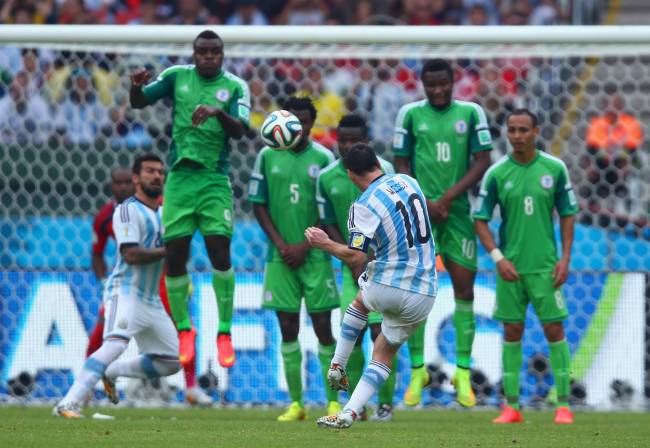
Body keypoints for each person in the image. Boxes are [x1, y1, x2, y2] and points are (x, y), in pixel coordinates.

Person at [130, 30, 250, 369]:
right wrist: (136, 86)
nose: (209, 57)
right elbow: (139, 102)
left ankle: (224, 333)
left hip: (214, 180)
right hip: (180, 180)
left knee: (219, 251)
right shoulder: (176, 77)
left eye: (215, 52)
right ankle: (185, 329)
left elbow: (242, 130)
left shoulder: (236, 87)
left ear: (222, 54)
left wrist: (217, 112)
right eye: (203, 52)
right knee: (176, 255)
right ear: (194, 54)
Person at [306, 143, 437, 429]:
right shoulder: (408, 181)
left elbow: (356, 256)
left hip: (390, 284)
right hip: (425, 292)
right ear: (378, 163)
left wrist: (324, 243)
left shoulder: (363, 205)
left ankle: (338, 365)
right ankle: (349, 412)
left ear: (350, 174)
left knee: (360, 302)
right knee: (383, 352)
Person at [393, 58, 492, 407]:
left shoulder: (472, 113)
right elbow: (400, 163)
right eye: (430, 85)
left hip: (459, 212)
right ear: (422, 84)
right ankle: (418, 370)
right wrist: (423, 199)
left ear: (453, 82)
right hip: (420, 213)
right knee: (415, 291)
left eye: (442, 84)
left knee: (464, 289)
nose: (436, 90)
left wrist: (447, 197)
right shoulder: (409, 114)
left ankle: (462, 373)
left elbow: (483, 160)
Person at [54, 154, 181, 418]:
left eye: (160, 172)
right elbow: (131, 254)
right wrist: (168, 250)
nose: (157, 176)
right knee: (114, 344)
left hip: (151, 300)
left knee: (171, 362)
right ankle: (68, 403)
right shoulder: (126, 210)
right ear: (136, 178)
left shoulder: (166, 212)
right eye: (149, 171)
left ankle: (114, 371)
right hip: (125, 292)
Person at [473, 109, 578, 424]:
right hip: (511, 269)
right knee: (512, 330)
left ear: (536, 131)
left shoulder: (554, 169)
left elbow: (568, 213)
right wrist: (498, 258)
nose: (516, 136)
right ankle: (512, 407)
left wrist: (565, 258)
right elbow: (480, 221)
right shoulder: (496, 173)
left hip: (546, 267)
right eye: (512, 130)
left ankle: (563, 406)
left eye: (523, 130)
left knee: (554, 329)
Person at [248, 96, 340, 422]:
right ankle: (297, 403)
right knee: (287, 329)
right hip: (280, 257)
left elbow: (329, 209)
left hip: (315, 256)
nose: (299, 127)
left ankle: (333, 402)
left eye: (304, 121)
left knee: (324, 330)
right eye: (294, 120)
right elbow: (258, 203)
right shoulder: (266, 156)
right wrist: (282, 244)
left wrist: (304, 243)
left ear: (312, 123)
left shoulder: (325, 158)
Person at [88, 168, 212, 407]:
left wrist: (178, 272)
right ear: (112, 186)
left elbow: (181, 241)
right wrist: (105, 282)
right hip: (128, 283)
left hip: (163, 279)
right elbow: (96, 254)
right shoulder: (105, 216)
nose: (123, 187)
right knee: (103, 327)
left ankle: (191, 387)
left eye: (127, 183)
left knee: (184, 330)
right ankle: (89, 387)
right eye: (118, 183)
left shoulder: (161, 206)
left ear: (134, 184)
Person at [316, 114, 397, 421]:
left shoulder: (385, 172)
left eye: (355, 140)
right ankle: (357, 403)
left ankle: (385, 404)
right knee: (351, 332)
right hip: (350, 266)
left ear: (367, 142)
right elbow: (330, 222)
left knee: (383, 332)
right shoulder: (326, 177)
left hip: (382, 265)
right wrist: (351, 257)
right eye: (343, 140)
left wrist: (369, 258)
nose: (348, 145)